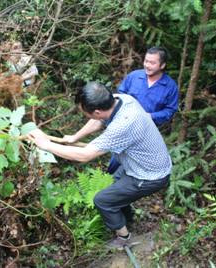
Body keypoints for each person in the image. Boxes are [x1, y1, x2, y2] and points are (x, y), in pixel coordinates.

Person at [27, 82, 172, 250]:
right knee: (115, 185)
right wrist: (74, 137)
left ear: (96, 111)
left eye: (86, 113)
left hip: (149, 175)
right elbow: (99, 121)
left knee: (103, 200)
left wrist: (46, 145)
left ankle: (124, 238)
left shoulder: (123, 125)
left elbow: (85, 155)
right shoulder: (122, 100)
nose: (87, 117)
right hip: (140, 162)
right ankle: (126, 219)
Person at [107, 46, 179, 174]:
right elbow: (119, 96)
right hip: (125, 127)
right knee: (116, 160)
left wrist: (150, 116)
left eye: (152, 63)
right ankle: (106, 181)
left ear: (162, 65)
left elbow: (170, 110)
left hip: (147, 132)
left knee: (135, 165)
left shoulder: (170, 86)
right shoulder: (134, 76)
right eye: (146, 61)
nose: (147, 65)